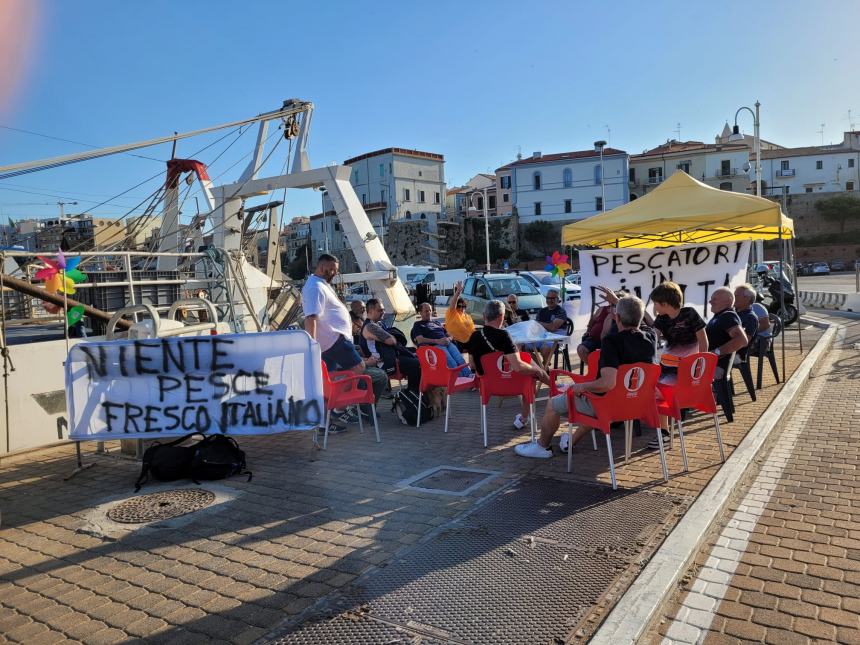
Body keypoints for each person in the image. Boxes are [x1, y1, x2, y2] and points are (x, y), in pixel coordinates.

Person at [515, 295, 657, 459]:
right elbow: (643, 320)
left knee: (553, 403)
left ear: (616, 317)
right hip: (636, 404)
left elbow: (607, 384)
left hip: (608, 406)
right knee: (590, 396)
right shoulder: (650, 337)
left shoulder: (612, 341)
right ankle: (570, 441)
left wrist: (581, 387)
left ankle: (542, 446)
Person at [302, 255, 387, 427]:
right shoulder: (315, 287)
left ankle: (325, 422)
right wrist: (311, 346)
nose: (334, 273)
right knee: (359, 368)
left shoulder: (321, 285)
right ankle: (339, 409)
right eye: (331, 269)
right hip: (335, 341)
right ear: (321, 266)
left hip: (330, 343)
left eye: (336, 270)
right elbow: (311, 318)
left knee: (327, 383)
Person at [467, 299, 549, 431]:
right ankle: (525, 416)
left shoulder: (474, 336)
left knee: (526, 362)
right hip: (513, 383)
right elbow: (518, 367)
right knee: (529, 367)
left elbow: (472, 364)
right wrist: (536, 370)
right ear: (502, 317)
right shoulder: (504, 335)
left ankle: (525, 416)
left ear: (484, 316)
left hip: (488, 385)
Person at [644, 281, 708, 448]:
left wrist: (701, 364)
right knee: (653, 390)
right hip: (669, 367)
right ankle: (664, 432)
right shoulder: (661, 319)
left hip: (689, 370)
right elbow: (652, 337)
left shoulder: (690, 314)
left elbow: (703, 339)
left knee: (659, 392)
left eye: (655, 303)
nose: (654, 307)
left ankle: (664, 434)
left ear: (664, 304)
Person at [361, 298, 421, 391]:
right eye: (380, 310)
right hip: (383, 362)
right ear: (371, 311)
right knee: (417, 364)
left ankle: (413, 392)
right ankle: (414, 392)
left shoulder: (379, 324)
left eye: (384, 309)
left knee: (420, 357)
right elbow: (391, 341)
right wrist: (392, 336)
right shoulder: (370, 326)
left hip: (391, 356)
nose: (384, 312)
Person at [411, 302, 473, 377]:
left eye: (430, 310)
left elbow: (449, 334)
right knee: (452, 363)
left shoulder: (437, 323)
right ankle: (460, 380)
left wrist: (449, 339)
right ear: (420, 313)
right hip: (435, 346)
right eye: (426, 311)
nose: (429, 313)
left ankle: (469, 377)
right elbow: (420, 340)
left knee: (460, 360)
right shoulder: (418, 324)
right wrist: (437, 341)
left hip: (447, 343)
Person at [706, 287, 749, 379]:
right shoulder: (719, 316)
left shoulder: (728, 316)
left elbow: (742, 340)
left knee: (678, 375)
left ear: (728, 300)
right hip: (710, 364)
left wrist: (715, 353)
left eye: (714, 299)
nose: (710, 302)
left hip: (716, 367)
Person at [577, 287, 620, 363]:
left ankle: (601, 370)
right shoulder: (601, 309)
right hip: (594, 340)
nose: (612, 303)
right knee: (581, 349)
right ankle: (594, 370)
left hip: (611, 342)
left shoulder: (622, 313)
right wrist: (588, 331)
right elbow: (592, 322)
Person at [532, 289, 569, 364]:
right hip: (541, 336)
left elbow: (553, 328)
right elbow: (536, 327)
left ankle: (545, 367)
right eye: (548, 298)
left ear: (557, 299)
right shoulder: (541, 311)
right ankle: (539, 367)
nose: (549, 300)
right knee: (523, 346)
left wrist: (539, 323)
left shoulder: (561, 311)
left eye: (552, 298)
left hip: (556, 338)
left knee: (544, 348)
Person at [445, 281, 475, 348]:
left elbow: (473, 330)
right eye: (459, 306)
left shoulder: (468, 317)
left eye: (463, 306)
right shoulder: (452, 313)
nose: (461, 308)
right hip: (456, 341)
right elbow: (453, 303)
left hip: (469, 342)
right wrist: (458, 292)